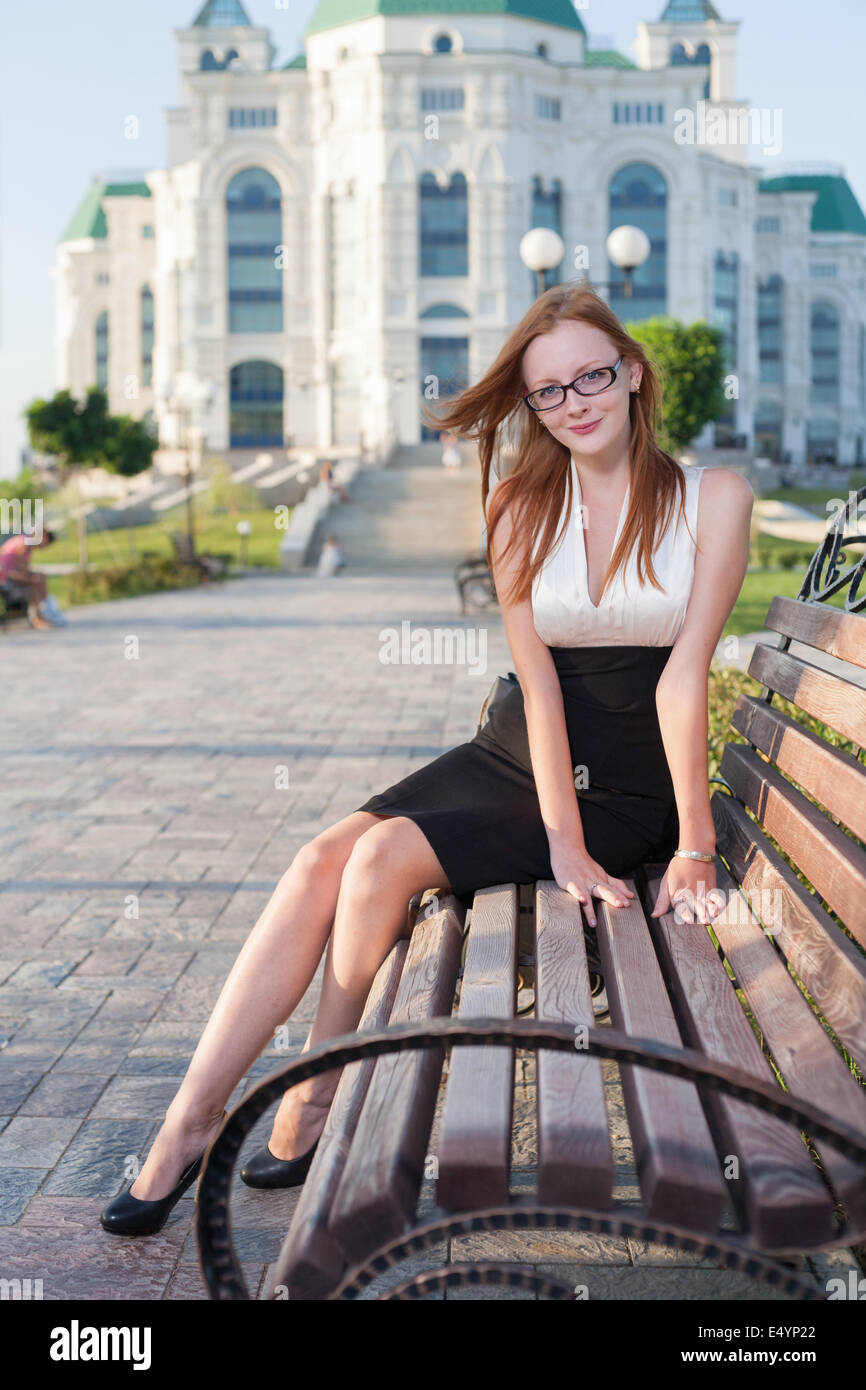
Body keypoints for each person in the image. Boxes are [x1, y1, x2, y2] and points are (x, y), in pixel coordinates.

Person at [100, 284, 752, 1236]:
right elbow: (535, 681)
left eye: (592, 376)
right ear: (529, 406)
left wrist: (687, 844)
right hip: (514, 750)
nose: (575, 402)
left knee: (378, 861)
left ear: (633, 373)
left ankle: (315, 1092)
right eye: (547, 392)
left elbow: (683, 676)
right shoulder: (518, 505)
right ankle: (189, 1122)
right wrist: (552, 836)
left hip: (624, 784)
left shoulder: (713, 496)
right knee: (317, 861)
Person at [0, 528, 58, 629]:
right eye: (47, 543)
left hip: (8, 576)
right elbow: (16, 570)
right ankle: (40, 615)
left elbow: (22, 569)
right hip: (5, 579)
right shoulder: (24, 544)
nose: (45, 547)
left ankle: (44, 612)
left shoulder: (26, 543)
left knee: (39, 578)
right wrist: (31, 578)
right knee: (35, 582)